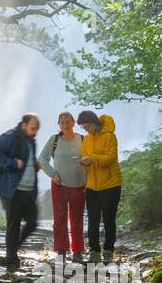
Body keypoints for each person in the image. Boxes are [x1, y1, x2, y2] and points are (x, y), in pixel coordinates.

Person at [0, 113, 41, 271]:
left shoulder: (32, 141)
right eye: (33, 128)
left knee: (32, 222)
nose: (35, 132)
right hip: (12, 190)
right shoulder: (10, 137)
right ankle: (11, 260)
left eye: (37, 129)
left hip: (28, 190)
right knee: (14, 224)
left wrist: (34, 166)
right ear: (23, 125)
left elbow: (26, 162)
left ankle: (13, 248)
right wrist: (12, 162)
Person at [39, 111, 86, 260]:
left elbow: (90, 159)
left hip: (79, 185)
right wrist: (53, 174)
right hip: (59, 185)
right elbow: (42, 159)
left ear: (74, 122)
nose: (65, 124)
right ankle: (61, 251)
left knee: (77, 218)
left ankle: (77, 251)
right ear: (59, 124)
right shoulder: (54, 140)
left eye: (68, 121)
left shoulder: (83, 139)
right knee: (59, 218)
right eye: (62, 121)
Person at [77, 110, 122, 263]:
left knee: (109, 220)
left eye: (87, 126)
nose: (86, 130)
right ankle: (94, 252)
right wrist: (84, 162)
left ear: (95, 122)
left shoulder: (110, 136)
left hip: (111, 184)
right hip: (92, 186)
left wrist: (93, 158)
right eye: (84, 128)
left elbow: (110, 158)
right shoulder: (87, 139)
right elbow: (84, 157)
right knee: (92, 220)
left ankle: (108, 252)